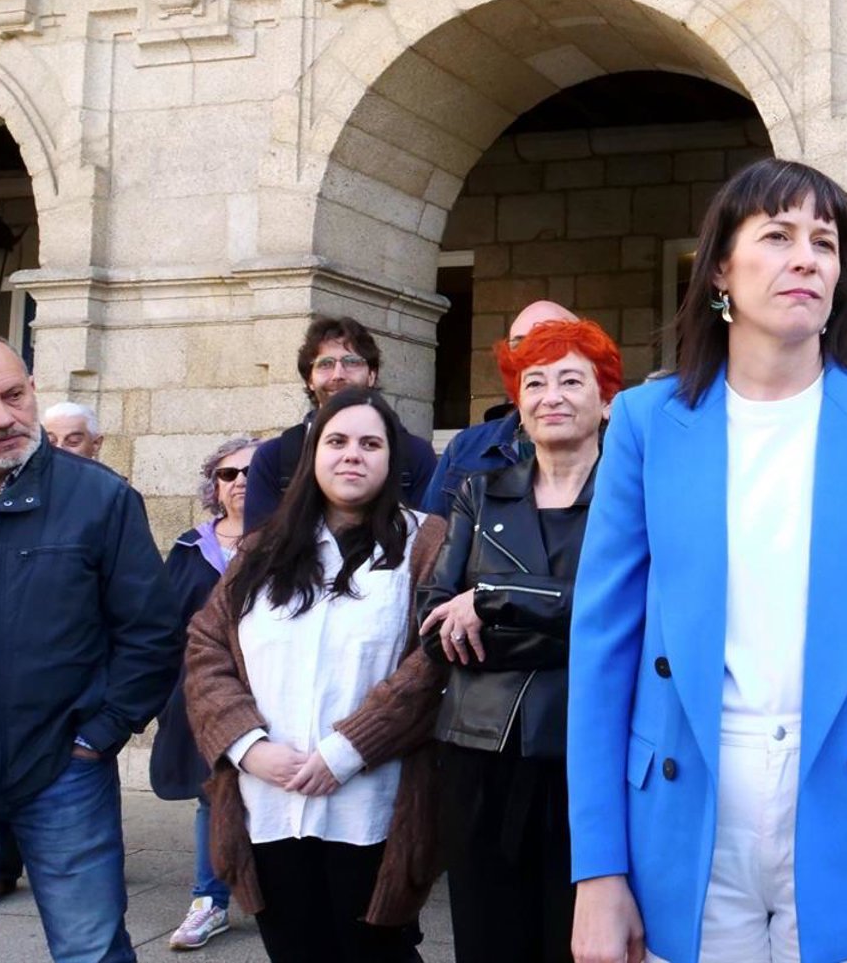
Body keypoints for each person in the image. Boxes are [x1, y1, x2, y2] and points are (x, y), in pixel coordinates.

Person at [566, 157, 847, 963]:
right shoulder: (648, 420)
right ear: (721, 267)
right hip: (684, 801)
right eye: (779, 236)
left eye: (825, 242)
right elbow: (602, 647)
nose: (807, 258)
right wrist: (598, 868)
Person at [0, 331, 182, 963]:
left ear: (32, 389)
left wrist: (101, 734)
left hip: (62, 774)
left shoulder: (100, 498)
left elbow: (151, 631)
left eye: (14, 395)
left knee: (90, 950)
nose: (3, 418)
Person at [185, 387, 449, 962]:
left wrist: (347, 751)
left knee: (377, 953)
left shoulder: (427, 541)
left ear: (392, 460)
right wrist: (246, 746)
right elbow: (206, 647)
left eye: (370, 444)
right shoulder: (263, 549)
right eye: (337, 441)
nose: (352, 454)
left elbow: (433, 660)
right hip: (268, 801)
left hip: (370, 805)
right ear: (313, 456)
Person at [416, 317, 623, 963]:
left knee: (579, 942)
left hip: (588, 751)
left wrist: (492, 599)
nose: (550, 396)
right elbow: (434, 629)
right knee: (487, 941)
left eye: (571, 380)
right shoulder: (478, 493)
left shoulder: (631, 495)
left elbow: (627, 619)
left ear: (606, 400)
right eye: (534, 382)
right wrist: (568, 627)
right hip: (479, 752)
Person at [152, 436, 260, 951]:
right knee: (211, 793)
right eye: (228, 474)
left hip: (271, 689)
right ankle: (209, 900)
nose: (240, 481)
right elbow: (166, 621)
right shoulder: (191, 546)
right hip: (206, 691)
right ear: (213, 486)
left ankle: (276, 894)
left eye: (252, 472)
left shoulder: (292, 540)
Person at [244, 316, 437, 529]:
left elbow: (428, 541)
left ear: (372, 376)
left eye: (351, 362)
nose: (338, 375)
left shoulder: (415, 455)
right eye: (325, 364)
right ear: (309, 380)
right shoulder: (273, 458)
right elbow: (260, 546)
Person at [419, 300, 581, 516]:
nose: (533, 355)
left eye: (550, 342)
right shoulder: (466, 447)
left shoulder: (616, 448)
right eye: (519, 345)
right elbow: (433, 531)